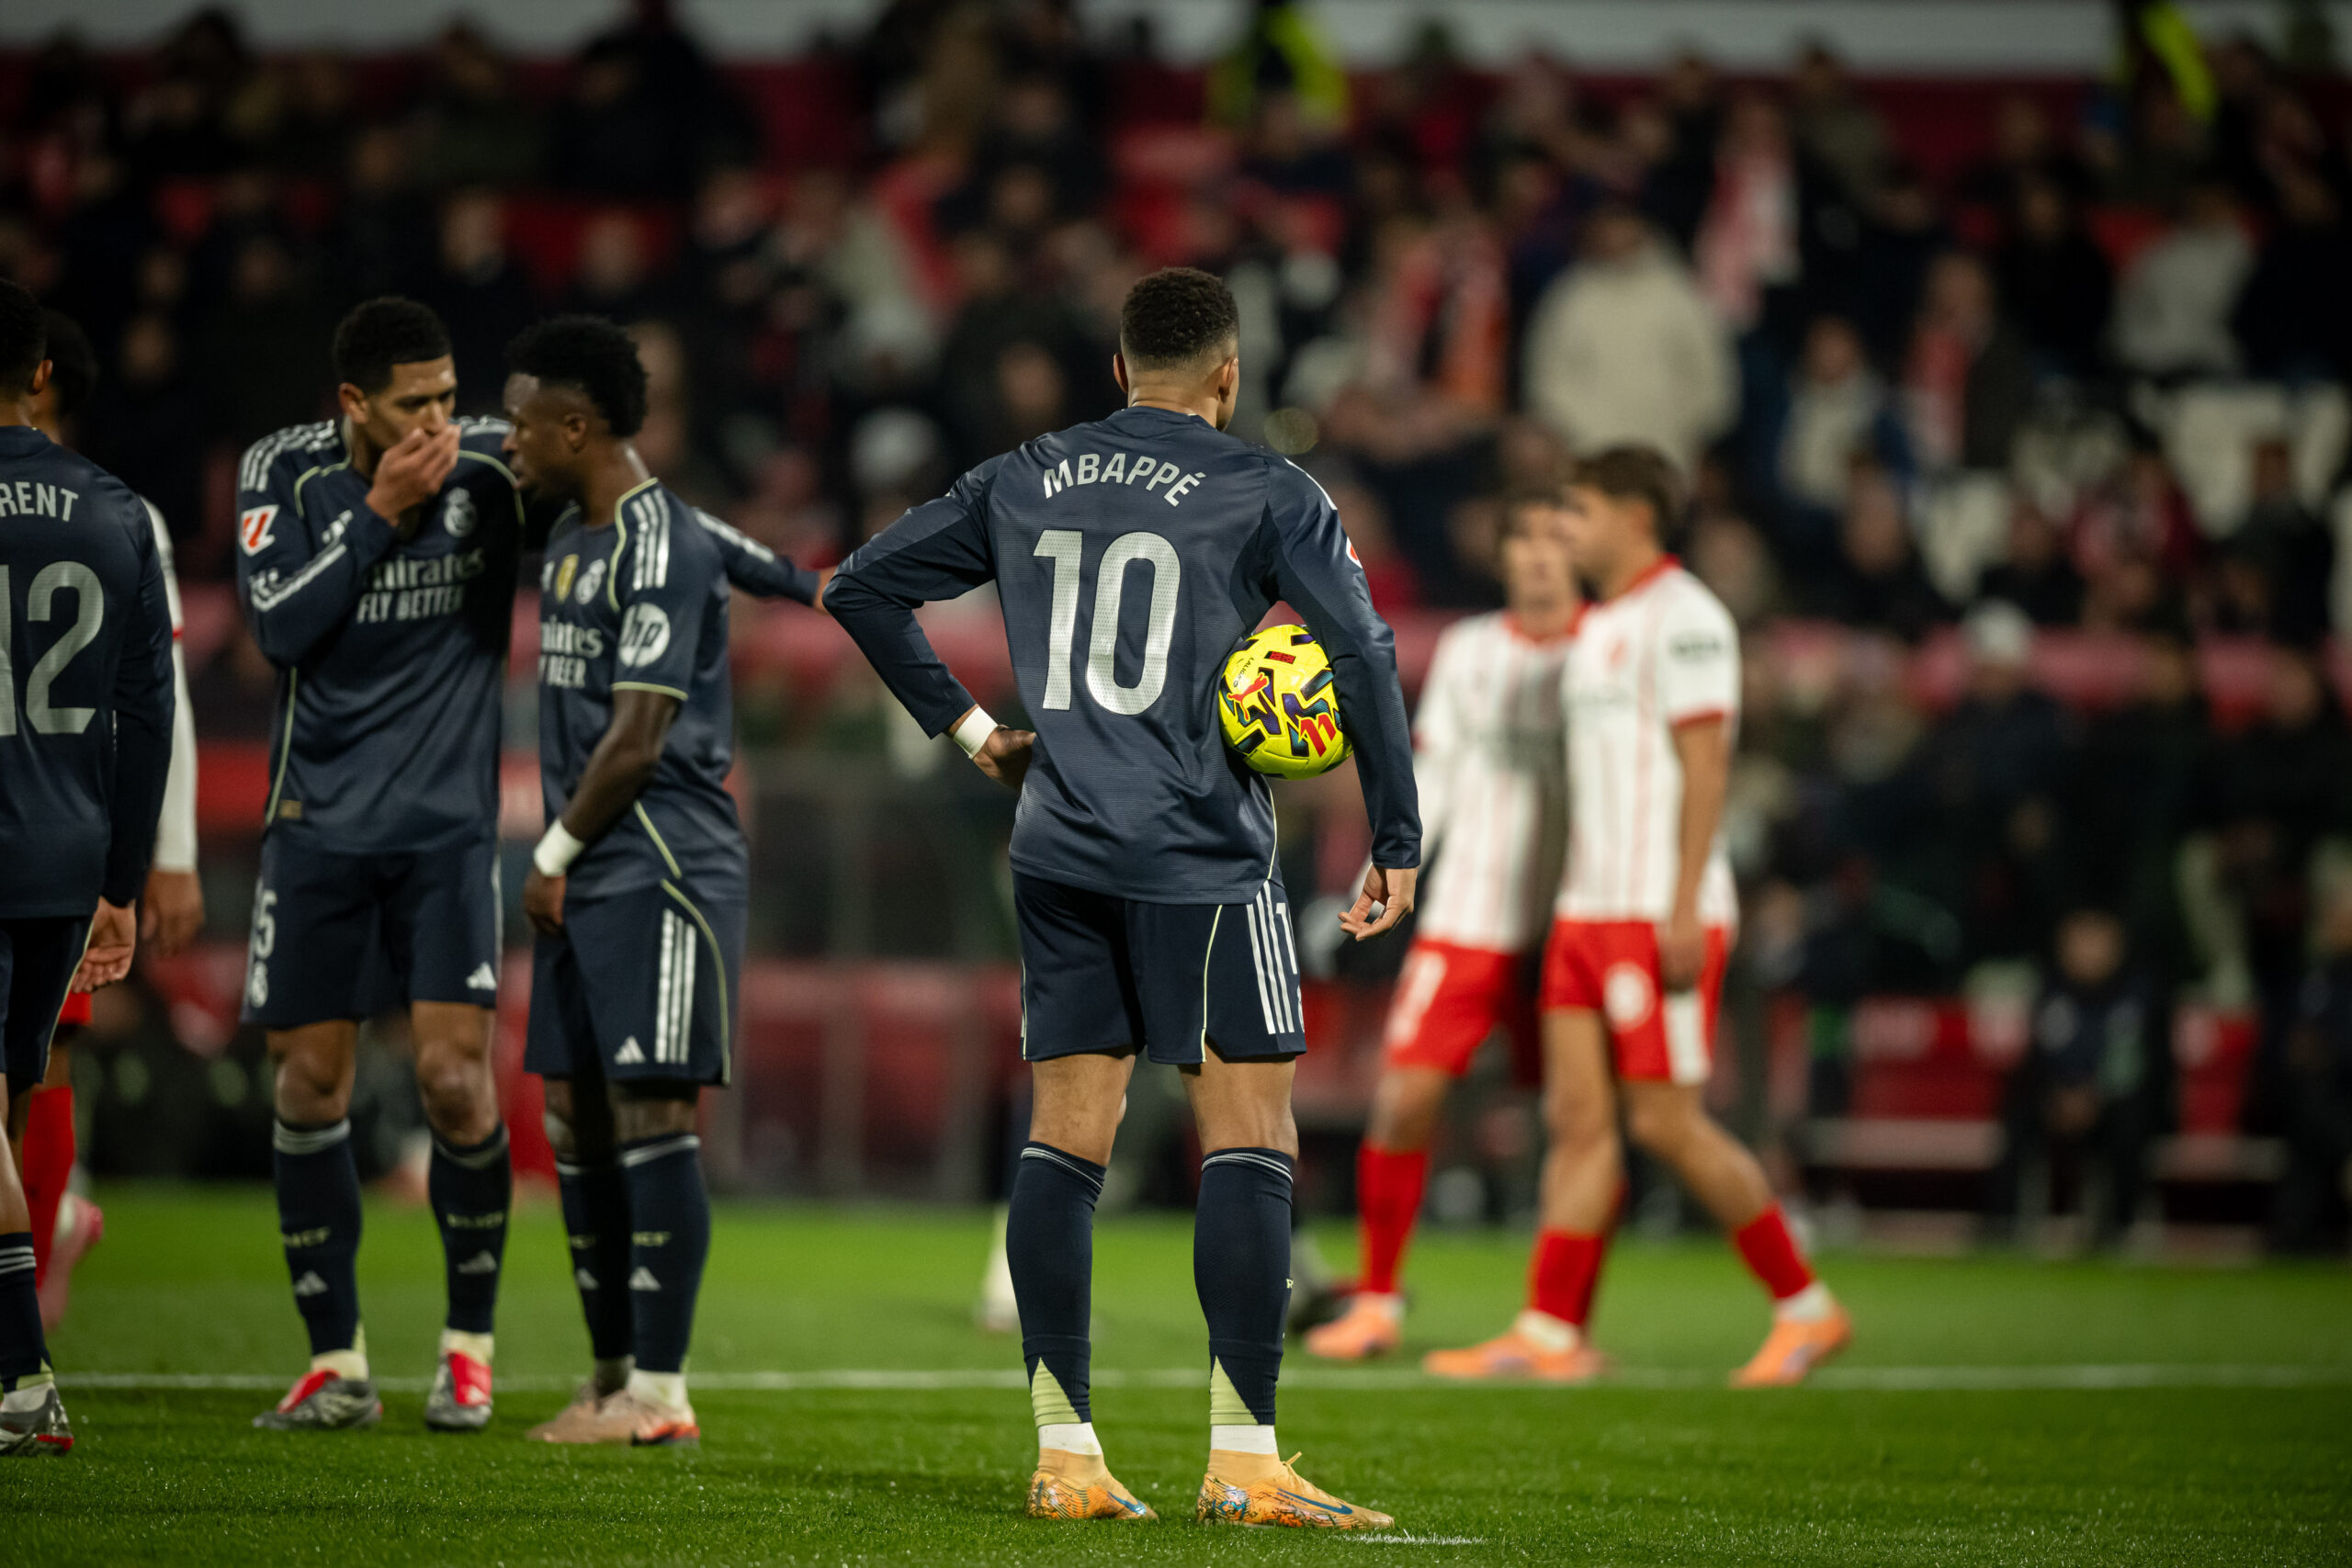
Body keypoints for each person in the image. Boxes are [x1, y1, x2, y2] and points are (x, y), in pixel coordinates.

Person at [826, 267, 1418, 1529]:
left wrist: (974, 730)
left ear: (1116, 369)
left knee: (1066, 1135)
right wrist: (1398, 831)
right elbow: (1362, 651)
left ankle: (1066, 1452)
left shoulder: (1028, 470)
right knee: (1251, 1133)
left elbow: (861, 586)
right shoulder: (1269, 487)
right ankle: (1246, 1461)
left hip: (1057, 847)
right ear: (1229, 373)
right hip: (1204, 855)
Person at [1425, 446, 1851, 1387]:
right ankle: (1548, 1331)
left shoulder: (1687, 618)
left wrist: (1684, 898)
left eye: (1576, 512)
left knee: (1665, 1122)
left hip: (1651, 909)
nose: (1563, 532)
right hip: (1584, 911)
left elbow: (1707, 765)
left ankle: (1804, 1306)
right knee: (1578, 1121)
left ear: (1632, 518)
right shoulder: (1599, 627)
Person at [503, 316, 826, 1448]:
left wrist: (546, 857)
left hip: (660, 857)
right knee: (574, 1118)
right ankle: (607, 1379)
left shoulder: (655, 545)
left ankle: (661, 1392)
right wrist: (806, 580)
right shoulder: (585, 532)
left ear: (577, 426)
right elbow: (763, 562)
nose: (509, 441)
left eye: (522, 421)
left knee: (648, 1111)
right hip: (588, 864)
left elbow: (638, 737)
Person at [234, 298, 528, 1434]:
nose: (443, 424)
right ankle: (333, 1359)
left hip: (448, 832)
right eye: (418, 405)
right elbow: (278, 630)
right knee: (311, 1085)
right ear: (354, 405)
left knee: (457, 1083)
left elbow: (612, 490)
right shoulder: (289, 472)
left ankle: (468, 1350)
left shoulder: (495, 466)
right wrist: (379, 514)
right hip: (316, 825)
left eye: (453, 398)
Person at [1306, 489, 1577, 1361]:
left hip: (1573, 917)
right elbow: (1439, 777)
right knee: (1405, 1097)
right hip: (1471, 917)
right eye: (1524, 536)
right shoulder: (1468, 650)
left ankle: (1558, 1323)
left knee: (1576, 1123)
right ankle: (1379, 1300)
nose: (1539, 555)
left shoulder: (1608, 650)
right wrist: (1374, 881)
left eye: (1554, 537)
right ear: (1501, 554)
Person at [0, 278, 177, 1455]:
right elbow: (147, 714)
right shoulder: (118, 513)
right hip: (63, 856)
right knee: (8, 1110)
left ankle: (19, 1380)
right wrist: (122, 880)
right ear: (43, 370)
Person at [21, 311, 205, 1333]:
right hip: (59, 824)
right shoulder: (109, 510)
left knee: (40, 1062)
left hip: (50, 820)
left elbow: (159, 692)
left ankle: (35, 1276)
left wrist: (166, 856)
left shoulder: (119, 514)